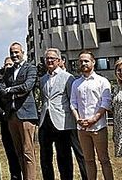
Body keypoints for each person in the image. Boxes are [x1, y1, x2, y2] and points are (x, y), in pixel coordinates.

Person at [69, 51, 113, 180]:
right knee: (88, 160)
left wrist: (94, 119)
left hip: (98, 127)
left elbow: (106, 103)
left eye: (86, 61)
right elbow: (73, 103)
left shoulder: (102, 81)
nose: (83, 63)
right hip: (82, 129)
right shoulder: (76, 83)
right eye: (81, 61)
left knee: (104, 159)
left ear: (93, 62)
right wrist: (78, 119)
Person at [0, 43, 37, 180]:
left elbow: (27, 86)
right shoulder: (8, 71)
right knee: (18, 151)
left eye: (16, 52)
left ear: (23, 52)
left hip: (26, 114)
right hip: (12, 115)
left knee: (28, 151)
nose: (14, 55)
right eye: (12, 53)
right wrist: (13, 91)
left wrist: (10, 90)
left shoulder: (30, 68)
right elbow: (1, 89)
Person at [37, 48, 76, 180]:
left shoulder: (68, 77)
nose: (49, 61)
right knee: (45, 157)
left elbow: (72, 99)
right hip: (45, 120)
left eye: (52, 58)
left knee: (64, 156)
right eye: (47, 58)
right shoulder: (43, 79)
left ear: (59, 61)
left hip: (62, 121)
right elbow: (44, 99)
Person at [0, 58, 20, 180]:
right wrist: (5, 114)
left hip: (19, 120)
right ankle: (15, 176)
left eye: (11, 64)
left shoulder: (18, 81)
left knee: (21, 152)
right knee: (10, 153)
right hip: (6, 122)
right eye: (7, 65)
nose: (9, 66)